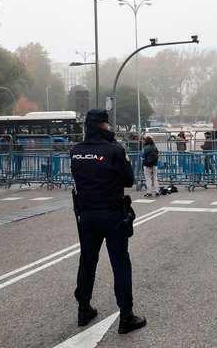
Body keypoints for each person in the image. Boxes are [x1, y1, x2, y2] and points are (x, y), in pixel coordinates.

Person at [69, 109, 146, 334]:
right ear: (104, 126)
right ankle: (126, 316)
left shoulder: (76, 151)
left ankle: (83, 310)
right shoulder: (114, 150)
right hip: (112, 215)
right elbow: (129, 180)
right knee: (120, 264)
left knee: (87, 262)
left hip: (88, 216)